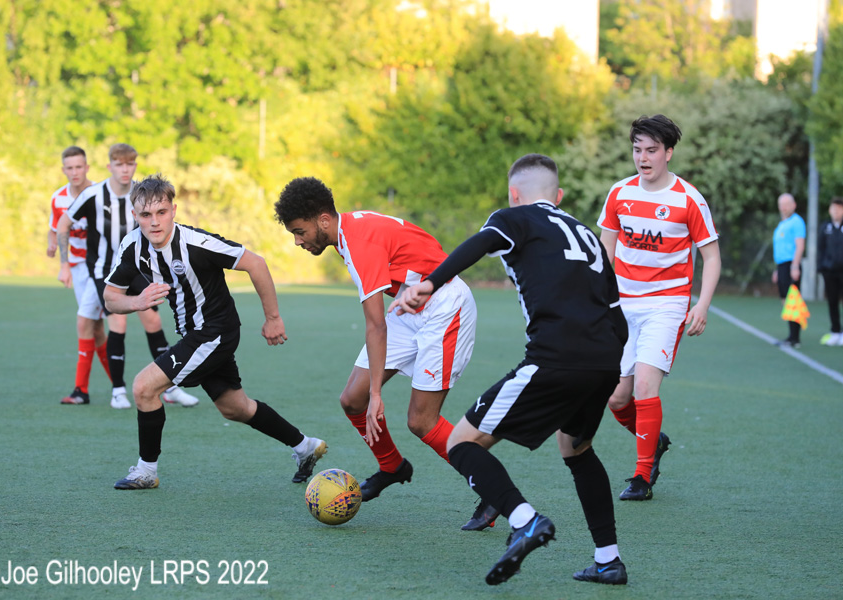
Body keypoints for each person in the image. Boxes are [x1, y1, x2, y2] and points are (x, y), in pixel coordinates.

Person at [390, 154, 629, 586]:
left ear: (514, 195)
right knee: (577, 448)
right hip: (608, 358)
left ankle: (525, 519)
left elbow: (481, 242)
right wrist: (607, 372)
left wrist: (429, 283)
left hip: (556, 357)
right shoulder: (588, 235)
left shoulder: (514, 217)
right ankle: (608, 559)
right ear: (558, 196)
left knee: (463, 442)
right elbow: (617, 316)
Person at [103, 174, 327, 489]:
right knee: (235, 408)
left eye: (161, 212)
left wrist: (273, 317)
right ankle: (305, 446)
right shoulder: (133, 246)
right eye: (145, 215)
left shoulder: (197, 243)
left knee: (143, 387)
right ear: (134, 215)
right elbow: (111, 297)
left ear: (174, 210)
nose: (154, 222)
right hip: (194, 335)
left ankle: (146, 471)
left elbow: (256, 263)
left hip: (215, 331)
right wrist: (136, 301)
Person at [274, 177, 478, 506]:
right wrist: (368, 395)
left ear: (323, 220)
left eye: (300, 231)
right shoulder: (348, 232)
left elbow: (375, 325)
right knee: (352, 400)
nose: (298, 241)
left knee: (421, 421)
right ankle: (392, 466)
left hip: (444, 307)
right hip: (409, 306)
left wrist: (378, 394)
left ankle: (490, 486)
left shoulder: (357, 242)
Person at [597, 114, 721, 501]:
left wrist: (701, 304)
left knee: (646, 387)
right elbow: (606, 250)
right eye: (637, 150)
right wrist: (597, 298)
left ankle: (642, 476)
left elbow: (712, 258)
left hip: (666, 306)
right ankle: (654, 441)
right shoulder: (619, 193)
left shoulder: (688, 199)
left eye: (651, 150)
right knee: (616, 399)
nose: (643, 158)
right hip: (623, 307)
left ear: (668, 152)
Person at [57, 143, 199, 409]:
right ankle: (118, 391)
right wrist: (65, 264)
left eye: (130, 164)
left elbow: (159, 225)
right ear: (109, 166)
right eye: (119, 164)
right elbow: (64, 223)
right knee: (117, 324)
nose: (125, 169)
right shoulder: (93, 194)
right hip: (103, 270)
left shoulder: (141, 192)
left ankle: (170, 387)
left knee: (153, 321)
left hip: (136, 268)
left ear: (135, 165)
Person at [47, 146, 112, 405]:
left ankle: (80, 390)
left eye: (79, 167)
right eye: (69, 168)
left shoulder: (99, 195)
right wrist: (54, 248)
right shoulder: (58, 198)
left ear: (87, 167)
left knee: (84, 321)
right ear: (64, 170)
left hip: (98, 267)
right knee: (96, 329)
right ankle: (118, 385)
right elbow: (55, 229)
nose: (74, 172)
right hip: (77, 268)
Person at [817, 197, 843, 347]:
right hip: (830, 271)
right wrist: (821, 267)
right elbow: (821, 249)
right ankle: (835, 331)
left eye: (838, 208)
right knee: (832, 301)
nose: (835, 211)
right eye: (833, 208)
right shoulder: (826, 227)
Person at [771, 192, 806, 348]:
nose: (784, 208)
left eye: (787, 204)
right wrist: (778, 270)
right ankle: (791, 336)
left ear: (794, 205)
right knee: (786, 301)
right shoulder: (782, 224)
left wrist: (795, 265)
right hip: (782, 266)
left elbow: (799, 245)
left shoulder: (797, 222)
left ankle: (795, 338)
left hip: (791, 264)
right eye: (781, 205)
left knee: (793, 300)